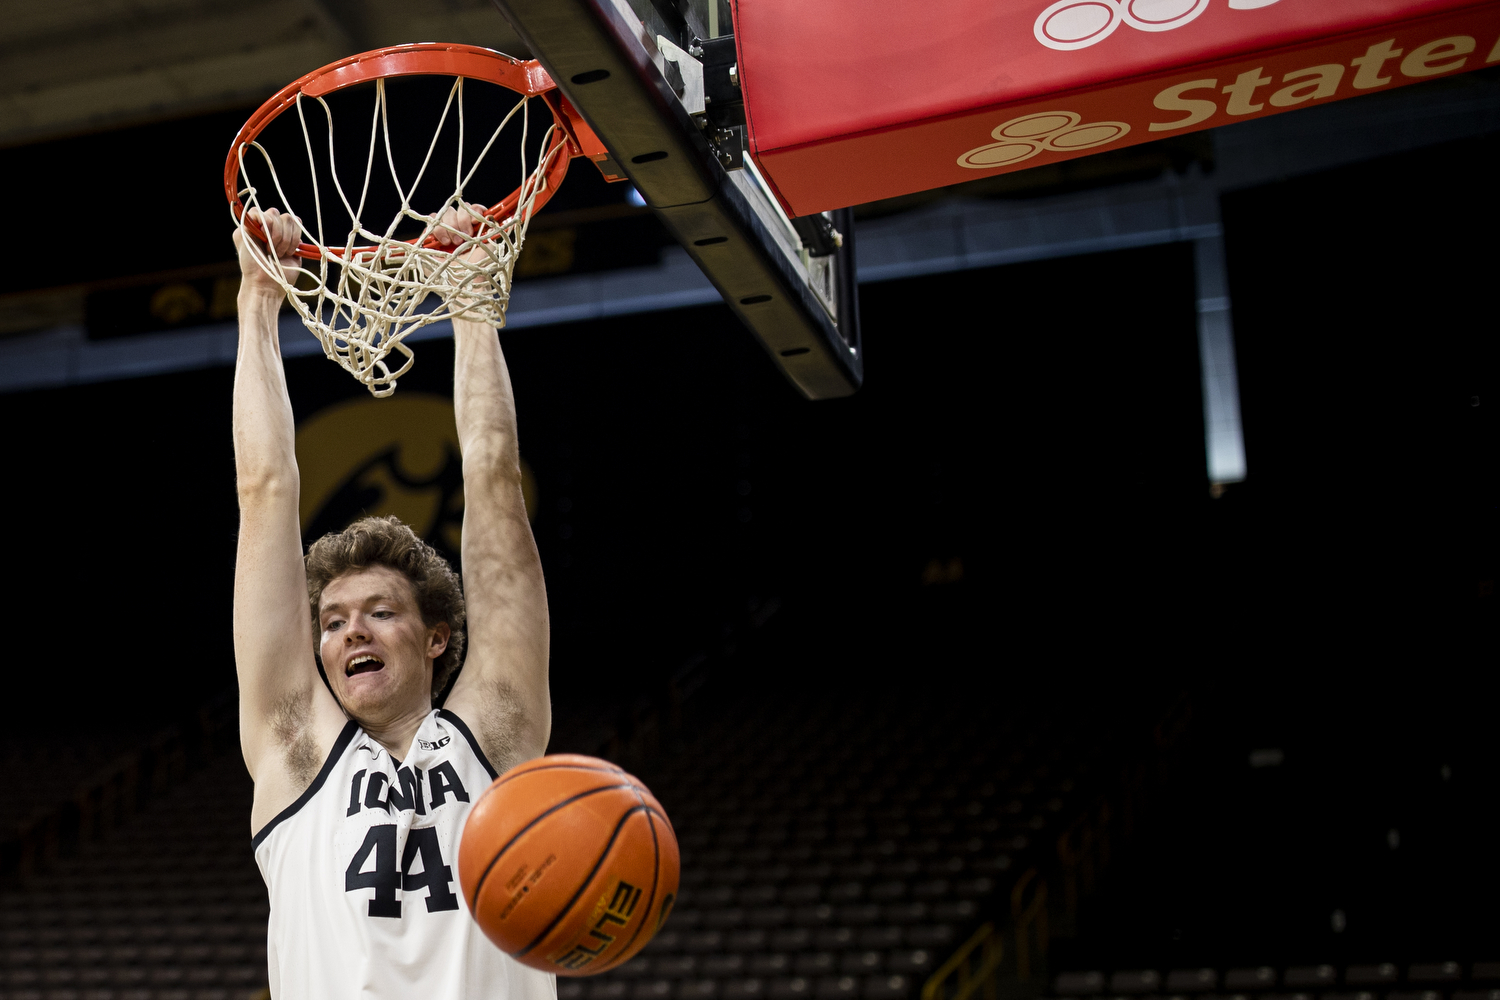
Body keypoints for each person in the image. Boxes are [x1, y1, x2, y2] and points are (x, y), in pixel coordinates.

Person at [232, 206, 555, 999]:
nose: (349, 634)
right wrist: (257, 302)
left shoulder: (498, 730)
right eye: (334, 622)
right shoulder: (295, 748)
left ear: (437, 637)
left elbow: (494, 482)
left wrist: (472, 304)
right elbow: (265, 493)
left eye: (380, 611)